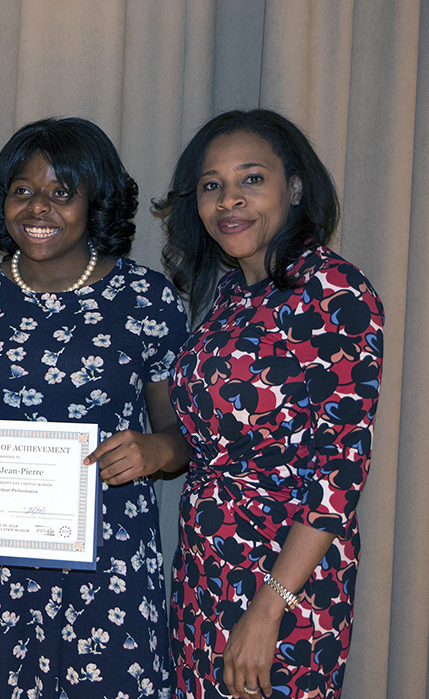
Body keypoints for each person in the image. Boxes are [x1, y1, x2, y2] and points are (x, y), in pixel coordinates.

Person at [0, 117, 190, 698]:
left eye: (62, 192)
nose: (39, 208)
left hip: (109, 563)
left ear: (98, 202)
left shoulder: (148, 298)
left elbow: (178, 432)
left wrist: (155, 450)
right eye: (22, 191)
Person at [155, 109, 384, 699]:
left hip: (287, 579)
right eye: (213, 186)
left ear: (296, 187)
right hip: (206, 567)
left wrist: (269, 607)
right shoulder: (227, 294)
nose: (230, 201)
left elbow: (340, 471)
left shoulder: (334, 290)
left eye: (251, 179)